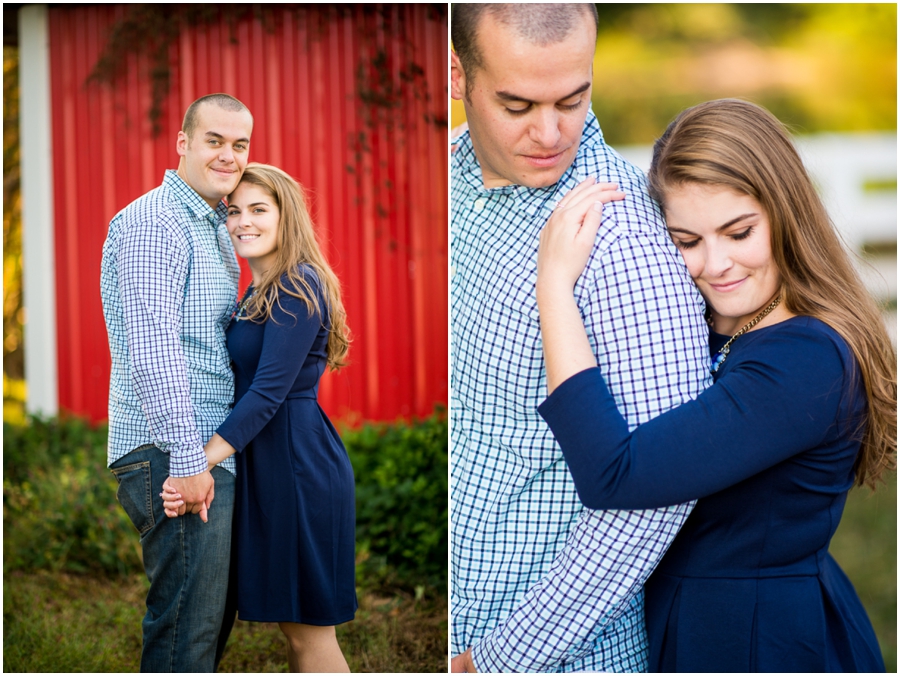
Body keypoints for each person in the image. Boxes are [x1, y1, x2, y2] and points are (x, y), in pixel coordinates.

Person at [536, 98, 895, 672]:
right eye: (687, 241)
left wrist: (554, 286)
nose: (715, 263)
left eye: (739, 231)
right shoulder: (721, 328)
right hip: (713, 616)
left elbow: (614, 473)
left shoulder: (804, 362)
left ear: (786, 212)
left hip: (752, 637)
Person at [449, 4, 712, 672]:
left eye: (573, 99)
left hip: (551, 656)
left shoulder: (619, 233)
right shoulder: (445, 176)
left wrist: (501, 658)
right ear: (458, 76)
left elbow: (657, 491)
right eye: (517, 105)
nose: (550, 132)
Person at [161, 163, 357, 673]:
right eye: (234, 211)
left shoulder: (297, 285)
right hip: (269, 464)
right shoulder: (259, 290)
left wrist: (195, 464)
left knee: (308, 634)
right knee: (293, 630)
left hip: (297, 467)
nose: (242, 221)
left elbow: (268, 394)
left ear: (285, 216)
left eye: (258, 210)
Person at [100, 93, 253, 672]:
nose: (229, 155)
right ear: (184, 143)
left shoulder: (212, 225)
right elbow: (154, 349)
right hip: (171, 453)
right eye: (214, 140)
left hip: (201, 451)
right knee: (184, 632)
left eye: (240, 144)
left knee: (207, 626)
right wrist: (190, 461)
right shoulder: (153, 223)